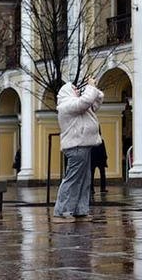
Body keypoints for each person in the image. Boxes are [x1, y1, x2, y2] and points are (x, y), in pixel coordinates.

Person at [52, 77, 103, 223]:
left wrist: (94, 89)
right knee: (73, 179)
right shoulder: (67, 105)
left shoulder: (78, 105)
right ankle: (61, 211)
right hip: (76, 146)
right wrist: (90, 87)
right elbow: (85, 102)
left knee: (84, 180)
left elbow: (95, 102)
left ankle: (80, 210)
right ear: (67, 91)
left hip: (84, 145)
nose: (78, 90)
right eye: (74, 88)